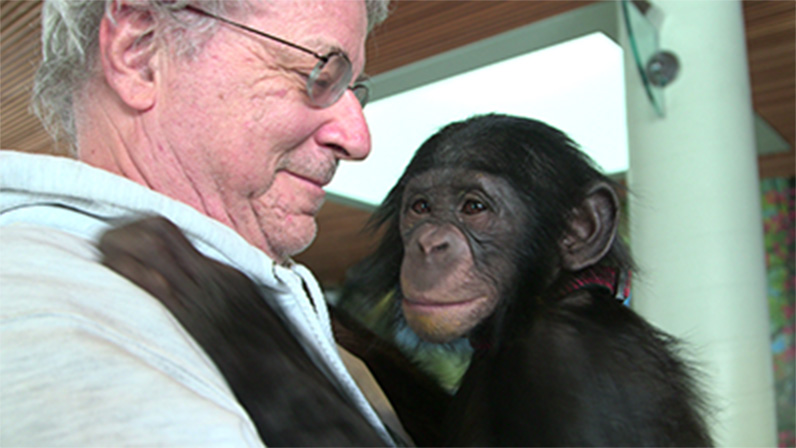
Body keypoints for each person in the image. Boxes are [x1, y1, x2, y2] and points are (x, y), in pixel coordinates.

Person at [0, 0, 393, 445]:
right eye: (320, 75)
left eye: (351, 88)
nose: (358, 140)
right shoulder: (58, 335)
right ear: (140, 52)